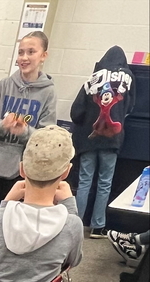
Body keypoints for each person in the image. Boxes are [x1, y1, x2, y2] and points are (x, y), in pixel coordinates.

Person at [0, 125, 83, 282]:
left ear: (21, 169)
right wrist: (69, 206)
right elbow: (74, 260)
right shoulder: (71, 224)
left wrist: (6, 203)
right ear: (65, 173)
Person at [0, 32, 56, 242]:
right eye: (21, 52)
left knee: (7, 227)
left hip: (19, 172)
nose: (24, 57)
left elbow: (46, 139)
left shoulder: (48, 93)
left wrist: (24, 132)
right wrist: (2, 125)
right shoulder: (4, 86)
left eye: (31, 52)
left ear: (43, 55)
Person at [70, 46, 135, 237]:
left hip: (89, 139)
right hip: (112, 139)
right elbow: (130, 106)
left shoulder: (93, 77)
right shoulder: (129, 77)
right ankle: (98, 226)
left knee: (84, 181)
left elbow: (76, 112)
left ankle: (76, 224)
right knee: (105, 182)